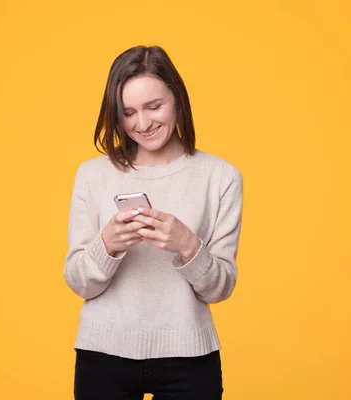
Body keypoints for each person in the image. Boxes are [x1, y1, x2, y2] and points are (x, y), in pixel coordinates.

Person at [63, 45, 243, 400]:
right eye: (128, 112)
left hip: (189, 358)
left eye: (153, 106)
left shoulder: (220, 176)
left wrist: (188, 246)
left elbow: (220, 288)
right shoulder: (92, 175)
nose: (142, 124)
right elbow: (79, 282)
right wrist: (108, 245)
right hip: (104, 354)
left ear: (177, 98)